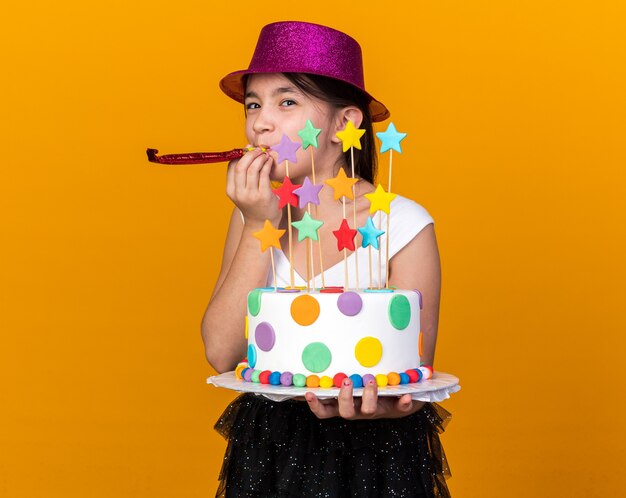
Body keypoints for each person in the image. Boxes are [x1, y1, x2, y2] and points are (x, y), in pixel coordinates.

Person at [202, 21, 452, 497]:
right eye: (253, 104)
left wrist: (384, 407)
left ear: (345, 123)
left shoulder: (403, 223)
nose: (260, 122)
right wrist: (257, 225)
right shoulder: (256, 215)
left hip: (377, 458)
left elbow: (415, 371)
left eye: (287, 102)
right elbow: (220, 351)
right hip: (269, 446)